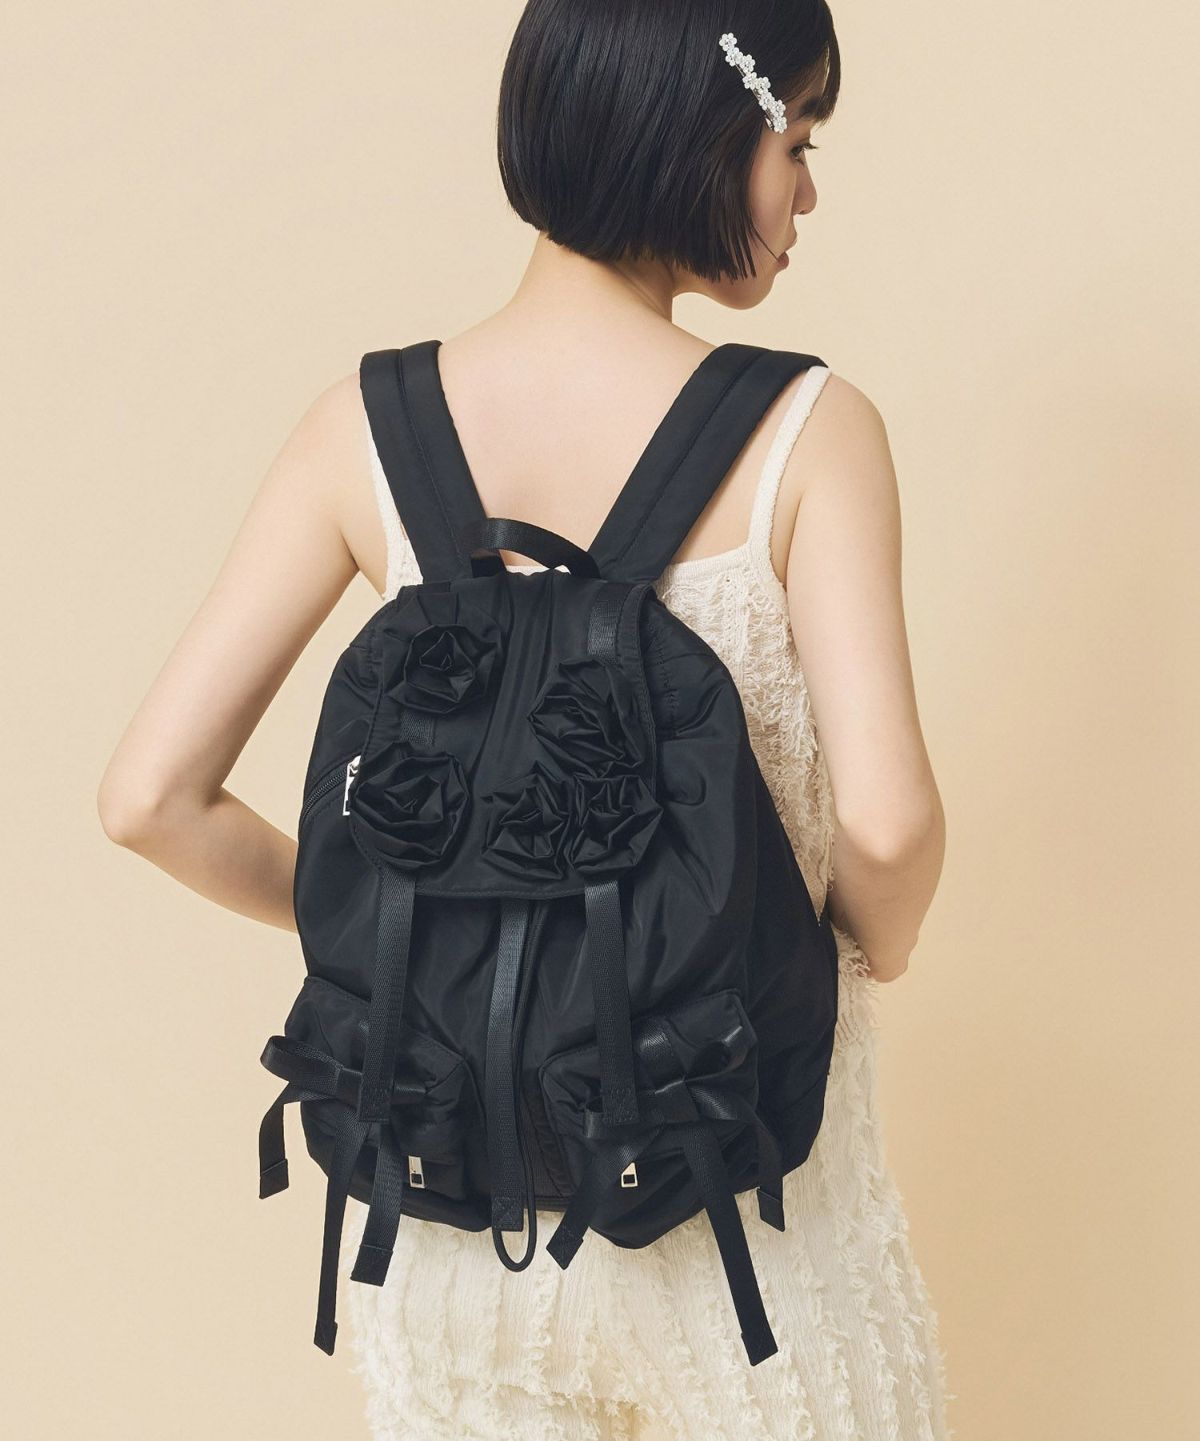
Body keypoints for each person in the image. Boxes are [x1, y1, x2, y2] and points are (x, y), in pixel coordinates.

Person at [98, 2, 951, 1437]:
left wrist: (423, 930)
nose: (807, 193)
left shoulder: (363, 427)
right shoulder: (809, 431)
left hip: (450, 1233)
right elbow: (889, 826)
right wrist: (860, 949)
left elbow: (148, 798)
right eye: (796, 142)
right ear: (703, 135)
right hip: (744, 1222)